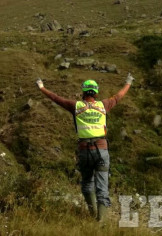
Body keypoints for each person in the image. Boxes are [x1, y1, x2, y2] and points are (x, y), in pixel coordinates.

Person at [36, 73, 134, 222]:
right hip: (101, 150)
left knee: (87, 183)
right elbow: (118, 96)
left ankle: (92, 214)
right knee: (102, 186)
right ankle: (101, 221)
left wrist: (41, 87)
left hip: (84, 152)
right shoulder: (103, 105)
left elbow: (55, 98)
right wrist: (128, 83)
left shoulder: (76, 106)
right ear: (96, 92)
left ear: (83, 92)